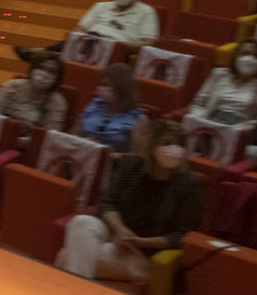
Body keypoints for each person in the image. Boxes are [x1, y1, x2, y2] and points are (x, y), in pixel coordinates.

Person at [57, 120, 201, 283]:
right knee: (81, 222)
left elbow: (182, 236)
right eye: (167, 143)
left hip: (143, 253)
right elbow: (108, 203)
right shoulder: (132, 165)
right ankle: (76, 293)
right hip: (115, 235)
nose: (174, 150)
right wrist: (120, 230)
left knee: (66, 256)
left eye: (179, 145)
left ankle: (71, 290)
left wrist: (140, 241)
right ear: (152, 146)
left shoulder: (188, 184)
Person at [188, 39, 257, 128]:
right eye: (245, 53)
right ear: (236, 57)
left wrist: (237, 131)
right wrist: (202, 121)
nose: (249, 59)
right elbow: (198, 104)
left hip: (240, 131)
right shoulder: (218, 74)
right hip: (207, 123)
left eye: (256, 56)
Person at [0, 49, 68, 144]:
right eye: (41, 67)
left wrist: (20, 142)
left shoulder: (58, 102)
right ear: (33, 68)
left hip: (27, 147)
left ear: (57, 78)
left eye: (52, 71)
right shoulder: (12, 86)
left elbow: (50, 136)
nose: (45, 74)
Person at [74, 63, 149, 153]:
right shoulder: (93, 106)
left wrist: (104, 153)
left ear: (122, 89)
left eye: (107, 85)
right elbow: (72, 136)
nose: (102, 88)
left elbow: (137, 158)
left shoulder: (139, 119)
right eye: (101, 84)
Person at [75, 0, 160, 50]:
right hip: (90, 44)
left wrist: (119, 45)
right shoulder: (100, 6)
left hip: (116, 50)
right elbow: (80, 29)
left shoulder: (147, 11)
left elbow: (147, 42)